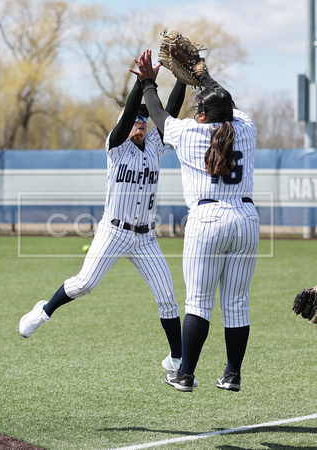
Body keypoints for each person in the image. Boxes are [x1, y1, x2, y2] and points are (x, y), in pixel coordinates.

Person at [19, 72, 188, 375]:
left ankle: (177, 361)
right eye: (135, 117)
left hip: (146, 238)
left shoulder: (154, 146)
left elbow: (169, 116)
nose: (141, 121)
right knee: (85, 283)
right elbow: (126, 120)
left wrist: (182, 80)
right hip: (113, 232)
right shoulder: (116, 145)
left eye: (144, 118)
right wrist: (142, 81)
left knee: (168, 298)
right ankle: (44, 311)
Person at [130, 49, 260, 392]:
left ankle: (185, 373)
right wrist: (202, 75)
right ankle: (232, 373)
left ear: (202, 115)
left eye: (198, 108)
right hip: (246, 218)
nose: (195, 112)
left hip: (208, 218)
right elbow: (227, 104)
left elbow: (157, 113)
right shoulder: (245, 128)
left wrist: (147, 81)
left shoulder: (189, 133)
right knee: (236, 303)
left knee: (199, 301)